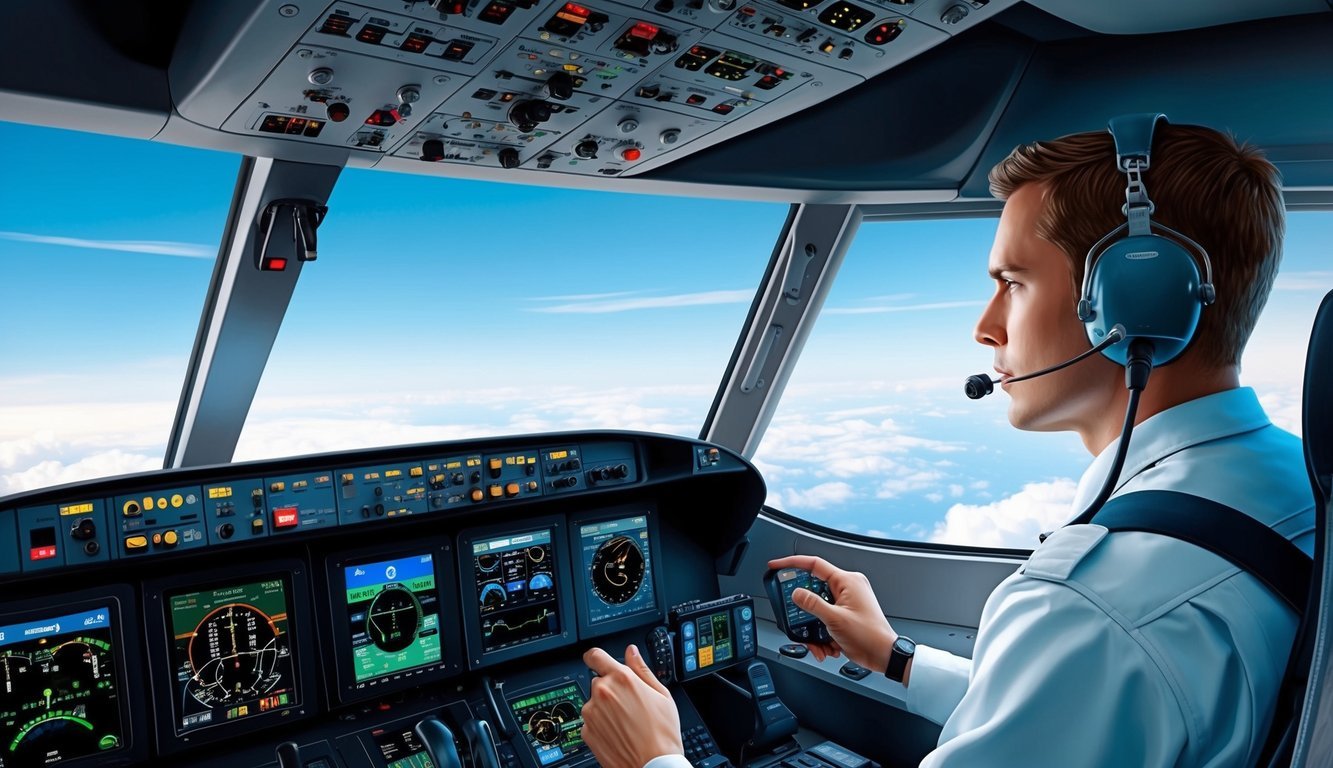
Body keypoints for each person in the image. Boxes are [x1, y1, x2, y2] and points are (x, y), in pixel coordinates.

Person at [578, 122, 1315, 767]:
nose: (984, 326)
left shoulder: (1095, 606)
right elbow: (1092, 707)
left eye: (1012, 282)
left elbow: (1100, 660)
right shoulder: (1292, 481)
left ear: (1134, 302)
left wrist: (656, 756)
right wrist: (896, 660)